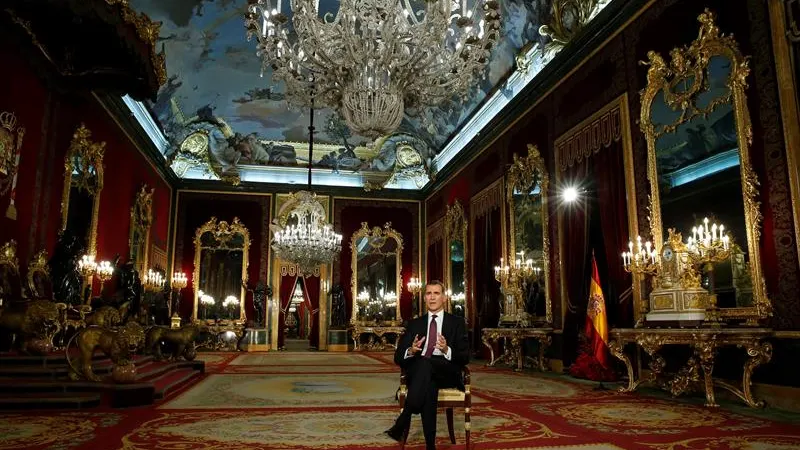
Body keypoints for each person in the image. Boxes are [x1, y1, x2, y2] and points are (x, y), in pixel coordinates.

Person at [385, 280, 469, 450]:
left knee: (425, 367)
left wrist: (446, 349)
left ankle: (404, 418)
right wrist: (411, 349)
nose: (432, 297)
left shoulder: (457, 322)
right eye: (429, 293)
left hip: (446, 372)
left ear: (444, 298)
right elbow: (398, 357)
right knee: (427, 380)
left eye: (436, 293)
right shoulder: (415, 324)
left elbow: (465, 356)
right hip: (422, 374)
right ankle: (430, 446)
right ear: (424, 298)